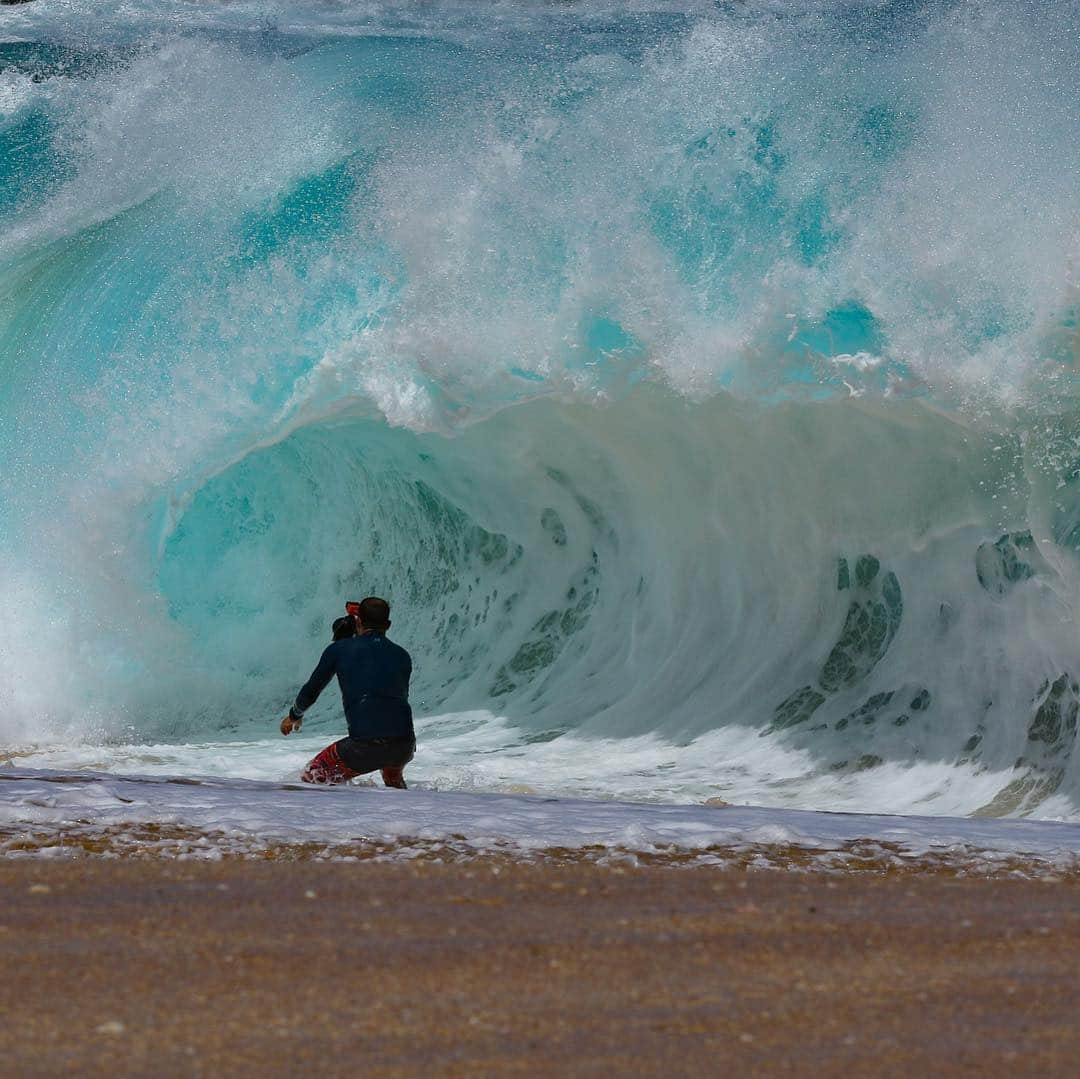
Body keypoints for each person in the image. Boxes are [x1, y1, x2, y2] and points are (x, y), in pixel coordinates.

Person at [281, 596, 415, 789]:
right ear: (388, 625)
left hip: (363, 747)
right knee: (393, 782)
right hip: (404, 745)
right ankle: (411, 813)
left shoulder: (339, 650)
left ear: (358, 620)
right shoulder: (402, 655)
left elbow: (311, 691)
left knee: (309, 782)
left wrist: (294, 715)